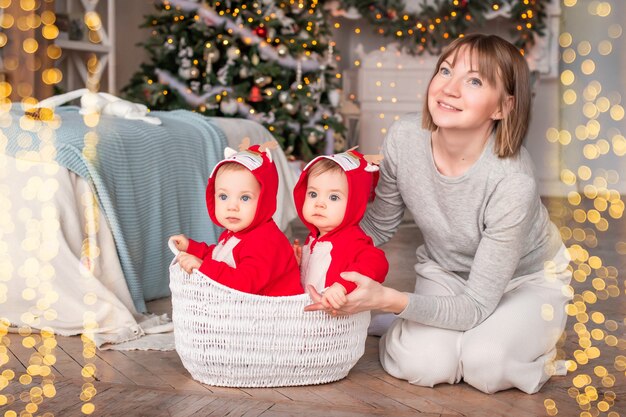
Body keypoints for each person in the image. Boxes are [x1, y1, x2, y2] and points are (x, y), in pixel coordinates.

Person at [305, 34, 572, 394]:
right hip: (445, 270)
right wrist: (317, 246)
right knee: (423, 364)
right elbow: (378, 225)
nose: (450, 88)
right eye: (446, 70)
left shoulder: (512, 182)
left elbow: (476, 303)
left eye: (474, 80)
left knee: (487, 365)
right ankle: (428, 326)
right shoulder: (404, 138)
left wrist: (389, 299)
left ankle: (528, 343)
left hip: (525, 280)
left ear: (503, 107)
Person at [170, 141, 303, 296]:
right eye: (223, 196)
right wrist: (192, 248)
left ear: (264, 201)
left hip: (271, 315)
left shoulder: (265, 241)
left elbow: (244, 283)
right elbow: (222, 259)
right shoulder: (235, 233)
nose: (232, 206)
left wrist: (203, 267)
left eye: (245, 198)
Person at [293, 149, 389, 310]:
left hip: (334, 324)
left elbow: (377, 263)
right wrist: (296, 264)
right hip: (308, 317)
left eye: (333, 197)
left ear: (354, 203)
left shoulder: (352, 240)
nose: (319, 203)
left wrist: (343, 286)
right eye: (313, 194)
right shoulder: (314, 238)